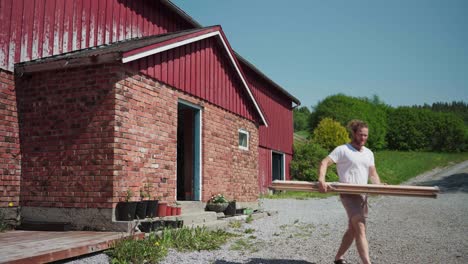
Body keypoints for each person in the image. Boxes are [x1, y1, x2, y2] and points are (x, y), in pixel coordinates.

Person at [318, 120, 383, 264]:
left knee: (353, 229)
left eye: (366, 135)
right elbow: (324, 162)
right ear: (354, 133)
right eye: (360, 135)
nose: (363, 138)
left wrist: (378, 185)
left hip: (362, 195)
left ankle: (338, 258)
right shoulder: (343, 150)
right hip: (348, 194)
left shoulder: (369, 153)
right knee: (360, 226)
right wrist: (321, 179)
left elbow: (372, 173)